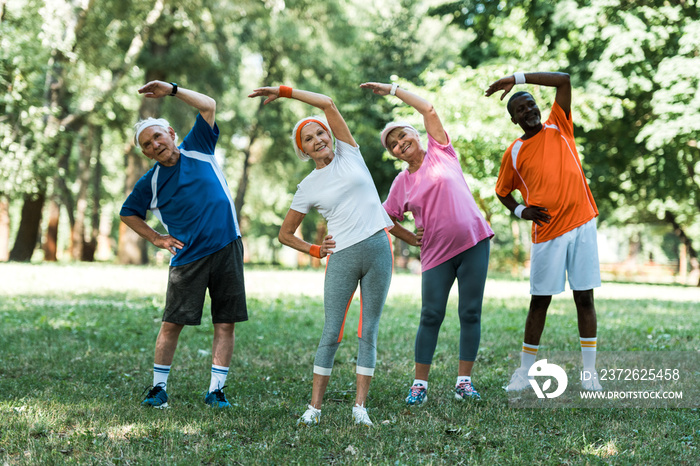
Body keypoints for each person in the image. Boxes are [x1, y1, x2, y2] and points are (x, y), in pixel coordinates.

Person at [248, 85, 394, 427]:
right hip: (342, 255)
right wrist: (314, 250)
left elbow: (328, 102)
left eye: (320, 133)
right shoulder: (308, 186)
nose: (318, 139)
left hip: (378, 248)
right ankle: (314, 407)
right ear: (303, 150)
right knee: (332, 331)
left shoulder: (350, 154)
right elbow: (285, 234)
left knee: (368, 330)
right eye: (309, 138)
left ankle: (360, 407)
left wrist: (285, 91)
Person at [361, 81, 494, 406]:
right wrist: (410, 238)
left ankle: (464, 382)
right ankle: (419, 384)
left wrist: (393, 90)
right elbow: (386, 217)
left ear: (416, 134)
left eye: (402, 135)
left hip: (475, 242)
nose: (399, 143)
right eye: (392, 144)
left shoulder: (442, 151)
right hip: (436, 255)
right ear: (393, 154)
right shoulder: (401, 183)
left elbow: (428, 109)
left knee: (470, 312)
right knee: (431, 315)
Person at [120, 80, 247, 409]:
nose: (155, 145)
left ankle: (216, 390)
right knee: (172, 323)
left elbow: (208, 104)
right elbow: (128, 213)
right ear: (145, 152)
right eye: (147, 145)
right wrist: (157, 238)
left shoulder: (199, 147)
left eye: (157, 136)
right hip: (187, 259)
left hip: (227, 247)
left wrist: (172, 90)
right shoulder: (151, 181)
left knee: (225, 321)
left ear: (171, 133)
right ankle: (158, 388)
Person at [485, 71, 602, 391]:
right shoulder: (514, 152)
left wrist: (516, 78)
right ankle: (524, 371)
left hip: (581, 224)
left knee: (585, 298)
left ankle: (589, 372)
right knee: (540, 301)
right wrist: (521, 210)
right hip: (548, 233)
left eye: (531, 103)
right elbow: (502, 191)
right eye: (520, 109)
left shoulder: (559, 125)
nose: (528, 110)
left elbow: (564, 80)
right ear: (514, 119)